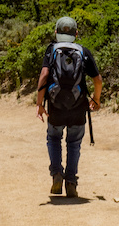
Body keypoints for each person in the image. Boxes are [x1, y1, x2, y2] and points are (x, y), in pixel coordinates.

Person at [36, 16, 101, 198]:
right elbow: (98, 80)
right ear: (76, 33)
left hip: (56, 106)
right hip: (78, 105)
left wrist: (39, 103)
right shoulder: (83, 51)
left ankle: (57, 174)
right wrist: (96, 99)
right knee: (74, 143)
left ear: (56, 32)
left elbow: (44, 75)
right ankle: (71, 182)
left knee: (54, 138)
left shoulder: (52, 49)